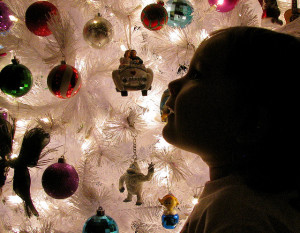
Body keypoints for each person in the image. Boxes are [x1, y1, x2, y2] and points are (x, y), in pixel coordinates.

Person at [162, 26, 300, 233]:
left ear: (250, 123)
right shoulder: (249, 202)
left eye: (197, 74)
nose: (173, 84)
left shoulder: (237, 213)